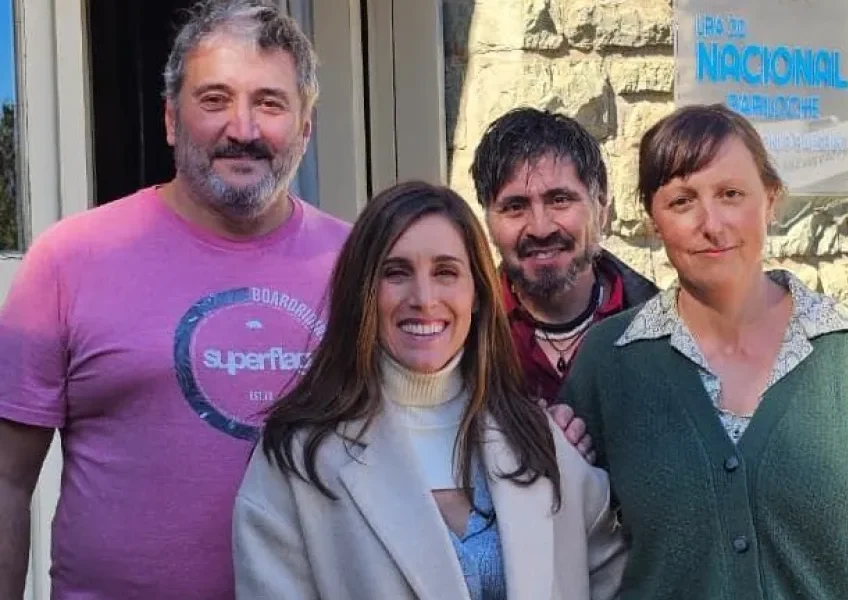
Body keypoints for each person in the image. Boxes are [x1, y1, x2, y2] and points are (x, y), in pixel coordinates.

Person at [0, 1, 350, 598]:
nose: (243, 129)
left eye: (270, 103)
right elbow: (7, 480)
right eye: (214, 100)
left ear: (306, 128)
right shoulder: (70, 259)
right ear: (170, 119)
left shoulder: (360, 265)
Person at [560, 103, 848, 599]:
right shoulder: (613, 362)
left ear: (770, 200)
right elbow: (563, 535)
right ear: (654, 220)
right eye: (682, 201)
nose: (711, 223)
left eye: (731, 194)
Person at [233, 181, 626, 600]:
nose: (423, 298)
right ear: (361, 293)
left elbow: (615, 578)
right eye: (396, 273)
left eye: (445, 272)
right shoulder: (295, 460)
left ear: (477, 293)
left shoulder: (540, 439)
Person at [470, 108, 658, 406]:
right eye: (515, 207)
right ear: (488, 220)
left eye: (559, 200)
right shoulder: (463, 340)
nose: (540, 228)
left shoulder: (665, 333)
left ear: (601, 208)